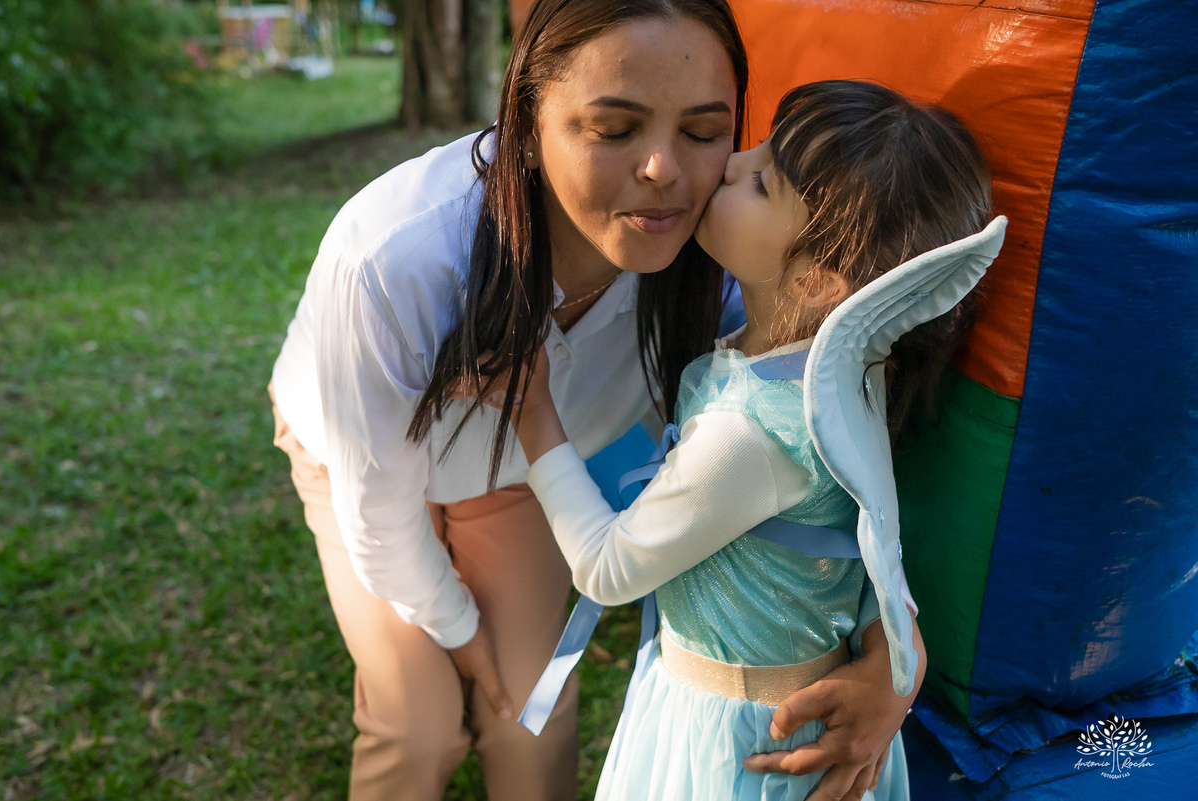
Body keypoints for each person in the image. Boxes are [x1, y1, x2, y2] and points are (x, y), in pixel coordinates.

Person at [268, 0, 924, 796]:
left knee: (528, 720)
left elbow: (839, 442)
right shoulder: (394, 255)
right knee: (420, 723)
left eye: (704, 131)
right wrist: (460, 632)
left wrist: (894, 660)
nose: (663, 170)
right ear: (526, 118)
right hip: (359, 471)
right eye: (615, 129)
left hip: (522, 478)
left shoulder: (725, 253)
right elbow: (376, 511)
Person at [503, 80, 997, 800]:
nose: (733, 164)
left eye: (762, 182)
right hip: (767, 711)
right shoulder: (849, 375)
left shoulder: (750, 433)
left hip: (737, 744)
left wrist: (532, 414)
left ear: (821, 280)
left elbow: (608, 568)